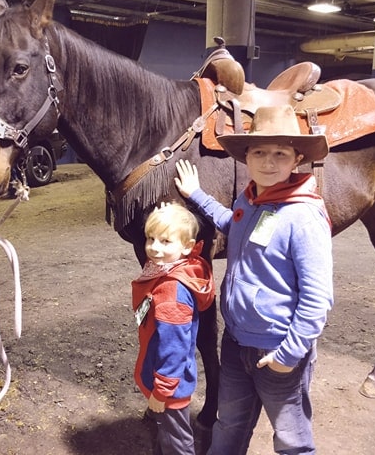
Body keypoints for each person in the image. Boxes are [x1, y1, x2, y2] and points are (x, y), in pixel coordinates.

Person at [174, 104, 334, 455]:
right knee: (228, 425)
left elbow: (317, 298)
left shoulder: (303, 217)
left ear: (296, 159)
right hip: (236, 344)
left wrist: (289, 354)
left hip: (277, 349)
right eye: (260, 151)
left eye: (281, 152)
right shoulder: (251, 199)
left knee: (292, 440)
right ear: (247, 156)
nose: (269, 161)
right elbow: (234, 224)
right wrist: (196, 195)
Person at [132, 202, 215, 455]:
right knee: (166, 436)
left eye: (166, 241)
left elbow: (175, 348)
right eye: (151, 238)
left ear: (188, 247)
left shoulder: (171, 293)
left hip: (170, 387)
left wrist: (162, 391)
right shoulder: (178, 267)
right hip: (169, 382)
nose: (154, 248)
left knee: (177, 443)